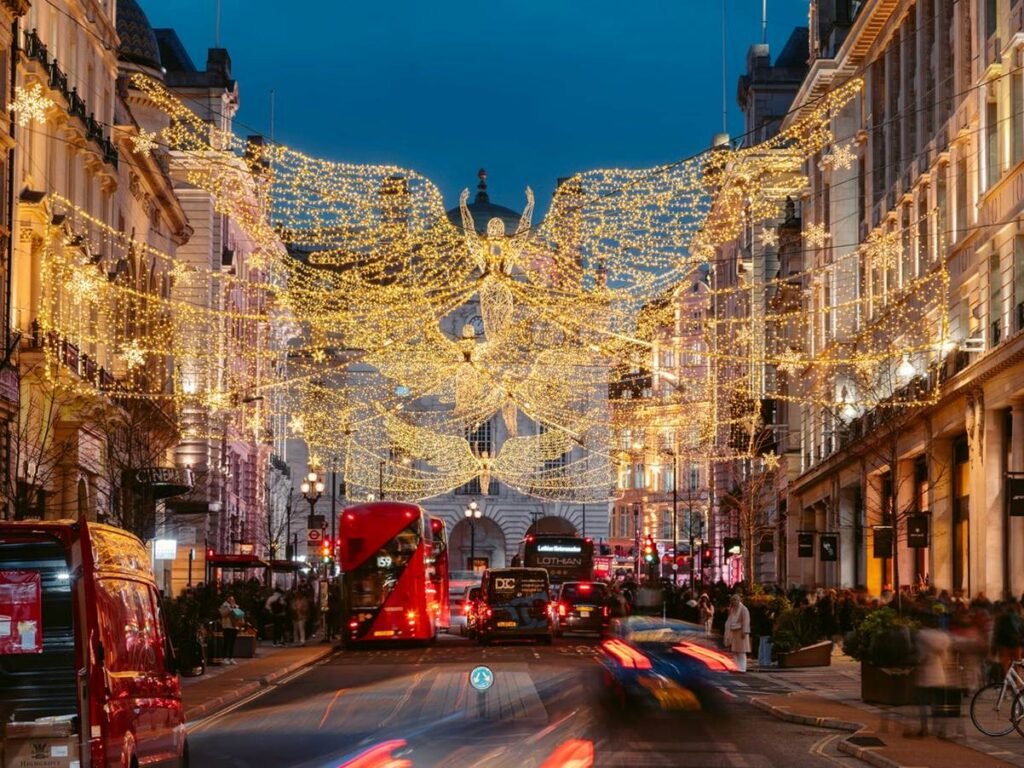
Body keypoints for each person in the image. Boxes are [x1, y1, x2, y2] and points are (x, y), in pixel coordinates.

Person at [724, 594, 751, 672]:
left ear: (739, 600)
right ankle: (736, 667)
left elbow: (746, 621)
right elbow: (729, 621)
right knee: (735, 651)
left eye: (736, 600)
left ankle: (742, 668)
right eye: (733, 600)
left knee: (741, 651)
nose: (734, 601)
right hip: (733, 633)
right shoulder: (732, 609)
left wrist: (745, 632)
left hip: (741, 632)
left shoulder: (744, 609)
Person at [218, 595, 243, 664]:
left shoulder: (236, 606)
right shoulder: (224, 606)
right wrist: (230, 608)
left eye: (233, 599)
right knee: (226, 642)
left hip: (234, 626)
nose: (232, 600)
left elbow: (239, 615)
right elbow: (223, 614)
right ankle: (225, 657)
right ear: (227, 599)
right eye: (230, 599)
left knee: (232, 642)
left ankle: (231, 657)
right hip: (227, 626)